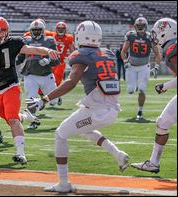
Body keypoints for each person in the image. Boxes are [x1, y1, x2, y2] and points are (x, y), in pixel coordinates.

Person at [27, 21, 130, 193]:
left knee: (60, 135)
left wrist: (44, 100)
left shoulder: (81, 54)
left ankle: (64, 183)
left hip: (98, 109)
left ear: (80, 35)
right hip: (108, 107)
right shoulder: (108, 53)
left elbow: (71, 82)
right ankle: (119, 155)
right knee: (84, 130)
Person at [0, 16, 59, 165]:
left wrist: (47, 50)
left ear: (7, 31)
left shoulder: (14, 43)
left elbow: (31, 49)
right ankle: (27, 117)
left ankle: (20, 153)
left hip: (11, 86)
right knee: (10, 118)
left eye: (0, 32)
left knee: (13, 119)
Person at [131, 18, 177, 173]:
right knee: (163, 122)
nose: (155, 37)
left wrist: (165, 86)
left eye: (157, 33)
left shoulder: (172, 48)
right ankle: (153, 163)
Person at [17, 19, 60, 130]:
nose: (36, 33)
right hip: (30, 74)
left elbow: (57, 60)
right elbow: (20, 58)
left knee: (54, 101)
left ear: (43, 30)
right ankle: (34, 120)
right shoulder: (26, 40)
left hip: (46, 74)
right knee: (31, 99)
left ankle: (45, 101)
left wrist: (49, 60)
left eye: (38, 30)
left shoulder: (49, 41)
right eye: (34, 30)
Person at [121, 17, 161, 120]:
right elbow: (123, 51)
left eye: (142, 26)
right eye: (138, 26)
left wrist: (156, 66)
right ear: (135, 26)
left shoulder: (150, 37)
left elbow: (157, 53)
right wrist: (125, 61)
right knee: (130, 90)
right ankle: (136, 85)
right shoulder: (130, 35)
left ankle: (140, 111)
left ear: (146, 26)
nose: (140, 27)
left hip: (144, 66)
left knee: (142, 89)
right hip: (131, 67)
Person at [52, 21, 75, 105]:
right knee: (47, 80)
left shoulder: (68, 38)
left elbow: (72, 51)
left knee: (57, 82)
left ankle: (55, 96)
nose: (61, 30)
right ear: (56, 29)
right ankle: (52, 96)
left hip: (60, 63)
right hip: (50, 62)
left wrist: (74, 60)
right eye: (59, 28)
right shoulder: (52, 36)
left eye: (62, 29)